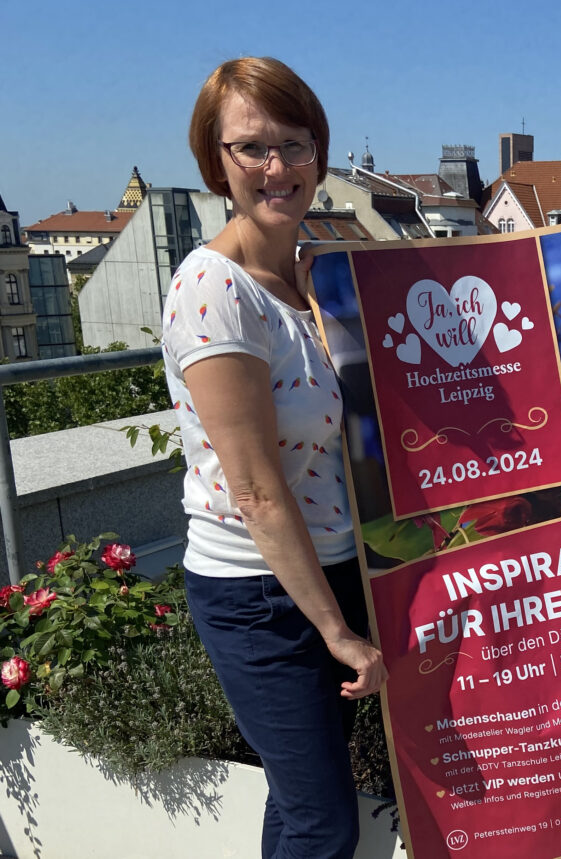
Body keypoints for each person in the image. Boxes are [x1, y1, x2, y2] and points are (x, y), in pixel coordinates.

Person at [161, 57, 387, 858]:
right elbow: (255, 489)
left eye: (295, 143)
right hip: (259, 594)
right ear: (214, 160)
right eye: (251, 147)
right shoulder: (211, 287)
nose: (277, 166)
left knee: (300, 805)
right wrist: (338, 631)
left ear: (319, 154)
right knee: (324, 819)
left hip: (324, 570)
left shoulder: (301, 275)